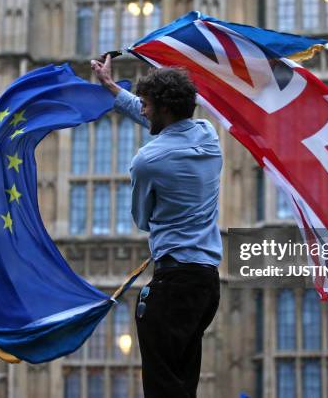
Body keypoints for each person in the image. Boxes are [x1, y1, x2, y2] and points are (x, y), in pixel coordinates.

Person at [91, 54, 222, 398]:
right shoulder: (209, 136)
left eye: (147, 105)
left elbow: (141, 219)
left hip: (173, 283)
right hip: (206, 284)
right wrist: (112, 88)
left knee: (163, 388)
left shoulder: (147, 161)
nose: (143, 110)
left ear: (162, 108)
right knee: (183, 384)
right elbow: (160, 121)